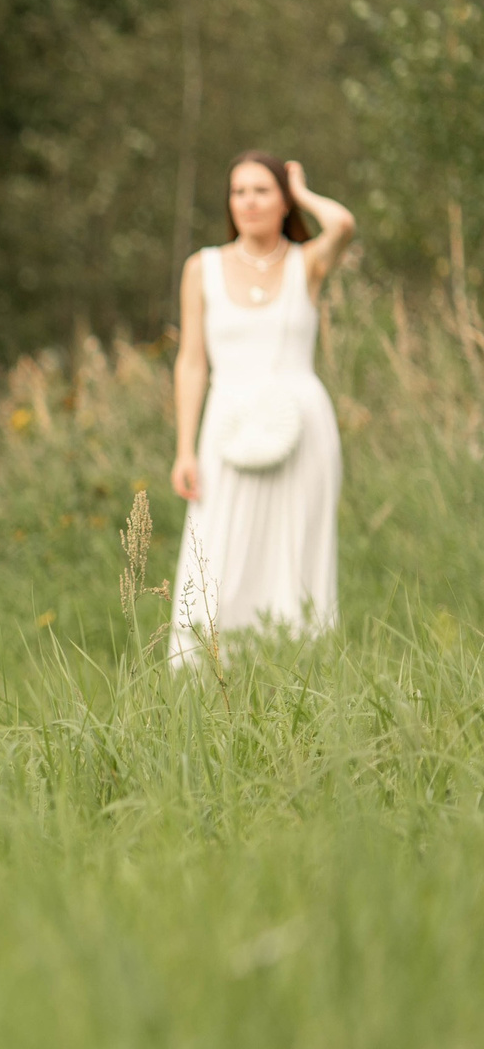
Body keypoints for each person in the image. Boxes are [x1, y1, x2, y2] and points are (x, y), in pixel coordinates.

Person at [168, 153, 356, 667]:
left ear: (283, 201)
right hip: (225, 427)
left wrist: (303, 189)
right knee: (216, 549)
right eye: (238, 192)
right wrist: (184, 448)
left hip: (303, 429)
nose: (248, 202)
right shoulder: (201, 268)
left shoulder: (307, 263)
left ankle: (298, 667)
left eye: (262, 191)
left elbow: (342, 223)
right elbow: (191, 362)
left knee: (297, 553)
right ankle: (210, 675)